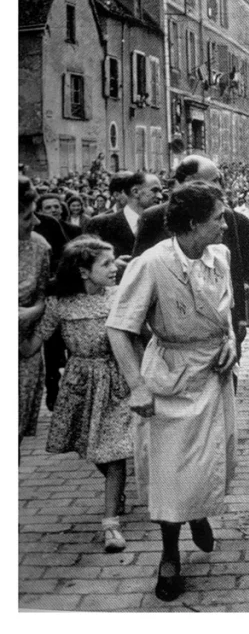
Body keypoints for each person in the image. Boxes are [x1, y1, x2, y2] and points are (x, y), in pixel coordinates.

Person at [107, 181, 238, 602]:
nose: (225, 223)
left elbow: (226, 312)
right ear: (194, 223)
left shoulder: (221, 255)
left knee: (211, 456)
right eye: (218, 216)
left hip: (214, 374)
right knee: (171, 472)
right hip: (171, 377)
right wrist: (137, 385)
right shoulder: (150, 263)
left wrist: (232, 341)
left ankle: (197, 511)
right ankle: (168, 557)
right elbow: (118, 327)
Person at [21, 236, 132, 552]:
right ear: (83, 271)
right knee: (94, 448)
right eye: (106, 264)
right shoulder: (60, 304)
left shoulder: (120, 296)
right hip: (80, 382)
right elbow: (33, 344)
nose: (114, 269)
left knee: (114, 453)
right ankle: (116, 489)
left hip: (115, 378)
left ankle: (111, 525)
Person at [133, 155, 249, 360]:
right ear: (190, 181)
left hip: (218, 334)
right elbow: (140, 282)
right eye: (214, 180)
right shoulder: (153, 218)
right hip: (169, 341)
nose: (220, 185)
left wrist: (239, 321)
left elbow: (234, 270)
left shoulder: (228, 218)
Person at [85, 170, 163, 279]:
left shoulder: (164, 224)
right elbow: (84, 264)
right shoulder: (100, 224)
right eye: (155, 191)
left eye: (161, 191)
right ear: (135, 192)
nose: (160, 196)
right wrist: (110, 266)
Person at [19, 179, 50, 447]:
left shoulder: (39, 248)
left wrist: (30, 313)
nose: (36, 222)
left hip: (23, 356)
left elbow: (44, 298)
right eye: (28, 216)